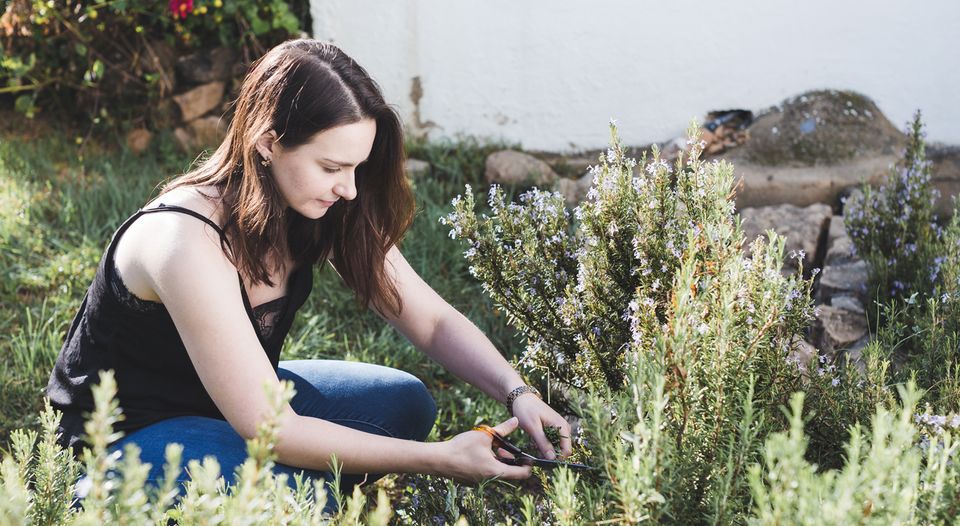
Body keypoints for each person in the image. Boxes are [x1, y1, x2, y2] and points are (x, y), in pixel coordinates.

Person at [45, 38, 572, 501]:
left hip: (231, 405)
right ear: (268, 143)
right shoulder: (185, 239)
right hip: (125, 440)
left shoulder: (321, 206)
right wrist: (441, 459)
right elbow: (270, 429)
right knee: (301, 495)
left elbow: (428, 319)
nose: (349, 188)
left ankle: (279, 482)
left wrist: (516, 390)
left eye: (358, 167)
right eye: (332, 167)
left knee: (405, 403)